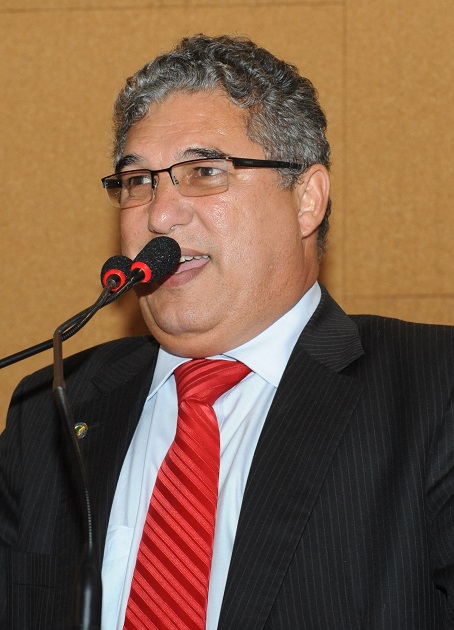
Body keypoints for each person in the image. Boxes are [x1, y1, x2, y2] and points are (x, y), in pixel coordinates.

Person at [1, 33, 454, 630]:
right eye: (139, 181)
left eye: (204, 172)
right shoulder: (49, 409)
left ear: (307, 200)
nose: (159, 214)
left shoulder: (433, 390)